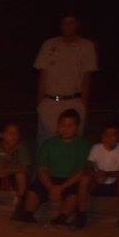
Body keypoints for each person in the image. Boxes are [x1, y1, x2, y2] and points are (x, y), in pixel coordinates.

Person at [33, 13, 97, 144]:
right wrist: (40, 104)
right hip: (50, 102)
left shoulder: (87, 46)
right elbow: (42, 75)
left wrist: (83, 105)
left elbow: (87, 78)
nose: (68, 26)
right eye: (64, 23)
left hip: (74, 101)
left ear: (77, 24)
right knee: (48, 144)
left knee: (71, 144)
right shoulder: (49, 44)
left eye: (71, 22)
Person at [22, 107, 89, 227]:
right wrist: (51, 187)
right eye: (62, 125)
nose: (65, 129)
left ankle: (62, 217)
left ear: (77, 127)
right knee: (33, 190)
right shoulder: (49, 144)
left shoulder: (83, 145)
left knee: (73, 195)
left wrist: (62, 187)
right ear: (57, 126)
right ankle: (28, 214)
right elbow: (42, 169)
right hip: (50, 178)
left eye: (70, 125)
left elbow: (80, 171)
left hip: (69, 180)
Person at [82, 122, 119, 232]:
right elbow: (88, 166)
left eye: (113, 135)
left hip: (114, 181)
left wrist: (107, 174)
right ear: (102, 136)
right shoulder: (96, 148)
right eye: (106, 135)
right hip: (97, 180)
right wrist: (96, 174)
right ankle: (81, 214)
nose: (109, 138)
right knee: (84, 179)